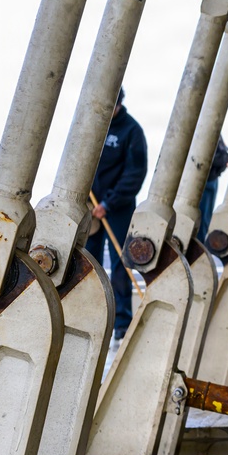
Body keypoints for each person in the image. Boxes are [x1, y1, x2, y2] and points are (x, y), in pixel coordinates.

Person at [87, 87, 148, 340]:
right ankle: (91, 316)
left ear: (119, 104)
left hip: (118, 208)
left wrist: (109, 203)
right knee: (89, 261)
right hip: (91, 207)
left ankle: (122, 322)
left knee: (121, 264)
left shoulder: (132, 131)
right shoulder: (94, 126)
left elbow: (135, 173)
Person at [197, 137, 228, 244]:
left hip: (209, 180)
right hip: (202, 181)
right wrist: (225, 158)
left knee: (202, 224)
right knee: (200, 224)